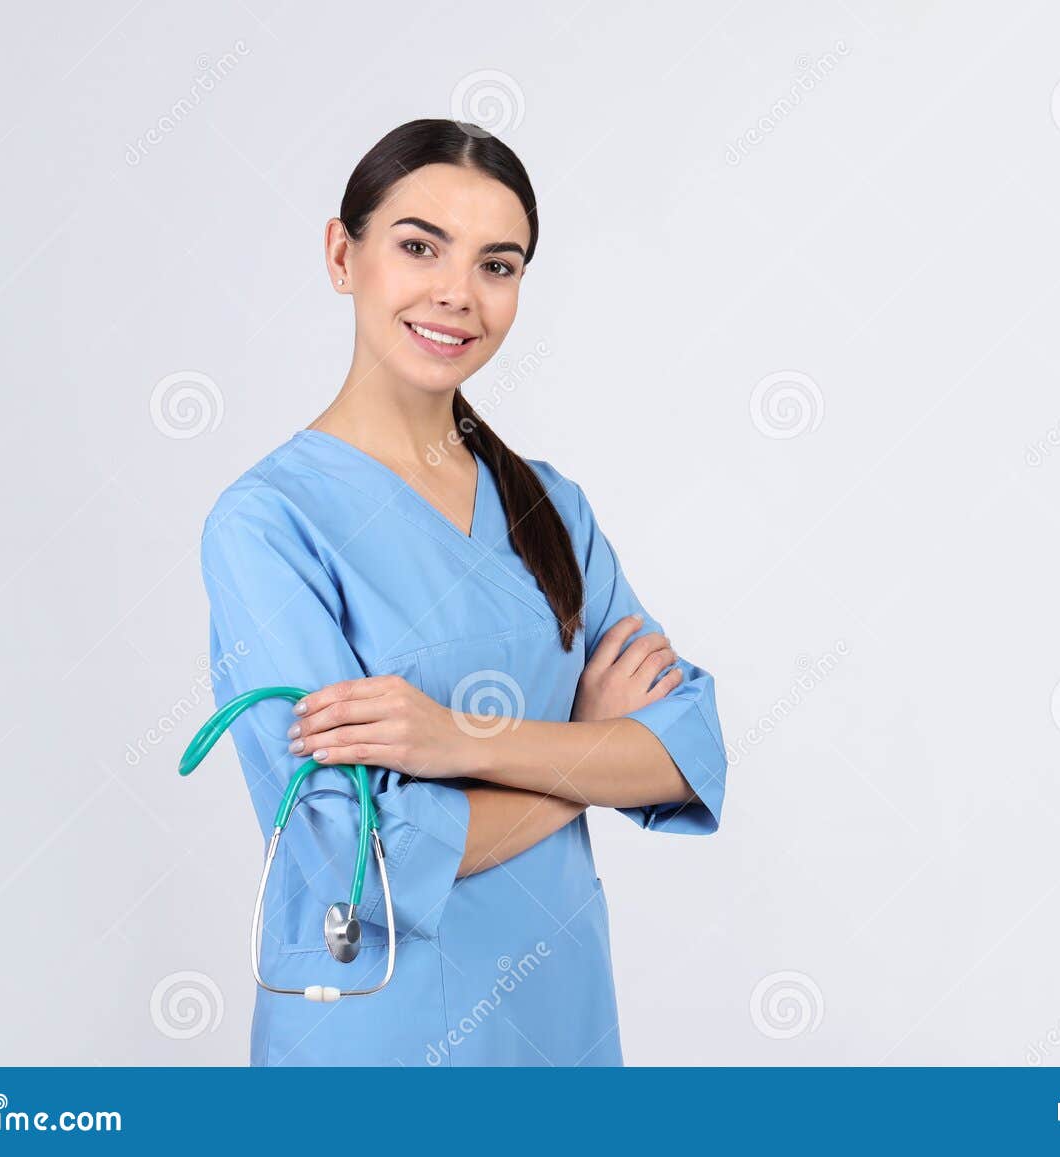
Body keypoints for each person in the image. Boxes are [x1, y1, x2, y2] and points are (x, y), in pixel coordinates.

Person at [198, 118, 728, 1066]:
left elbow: (685, 749)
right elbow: (362, 858)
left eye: (499, 264)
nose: (457, 293)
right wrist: (589, 761)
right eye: (417, 246)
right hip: (380, 1041)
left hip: (561, 1021)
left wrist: (457, 743)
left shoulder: (550, 507)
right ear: (341, 253)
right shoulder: (270, 523)